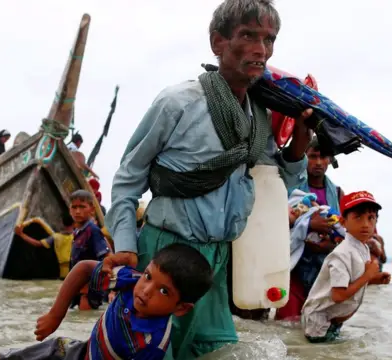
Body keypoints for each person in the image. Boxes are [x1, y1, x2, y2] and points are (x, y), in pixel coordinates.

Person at [105, 0, 314, 357]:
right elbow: (129, 177)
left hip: (216, 263)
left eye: (269, 39)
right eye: (247, 35)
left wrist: (300, 141)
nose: (260, 49)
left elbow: (279, 186)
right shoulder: (177, 103)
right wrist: (125, 243)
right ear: (218, 42)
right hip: (165, 254)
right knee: (148, 350)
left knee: (216, 351)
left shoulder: (257, 119)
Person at [0, 244, 213, 360]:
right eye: (148, 276)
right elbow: (83, 269)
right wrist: (55, 315)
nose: (146, 290)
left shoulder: (151, 344)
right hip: (76, 352)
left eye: (164, 291)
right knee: (23, 355)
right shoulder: (128, 280)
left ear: (181, 308)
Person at [301, 191, 390, 343]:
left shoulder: (363, 248)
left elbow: (354, 280)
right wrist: (367, 276)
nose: (365, 224)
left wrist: (374, 278)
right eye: (358, 217)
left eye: (371, 218)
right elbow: (338, 295)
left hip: (333, 319)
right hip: (319, 322)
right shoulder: (341, 255)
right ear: (343, 222)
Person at [276, 139, 343, 321]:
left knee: (318, 322)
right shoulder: (290, 188)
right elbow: (275, 220)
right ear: (304, 158)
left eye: (323, 157)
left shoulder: (337, 193)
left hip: (322, 267)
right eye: (313, 156)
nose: (319, 162)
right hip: (293, 266)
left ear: (330, 160)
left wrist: (330, 244)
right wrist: (310, 225)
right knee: (288, 321)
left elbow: (342, 229)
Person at [68, 190, 111, 310]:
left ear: (92, 209)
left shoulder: (92, 231)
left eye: (82, 207)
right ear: (69, 210)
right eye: (74, 207)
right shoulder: (78, 232)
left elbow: (106, 258)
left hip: (88, 290)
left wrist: (89, 286)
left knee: (85, 315)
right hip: (77, 287)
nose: (77, 211)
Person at [14, 213, 75, 279]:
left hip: (63, 274)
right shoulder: (78, 235)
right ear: (74, 223)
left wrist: (21, 234)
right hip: (76, 270)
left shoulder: (55, 237)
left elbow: (37, 244)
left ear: (62, 223)